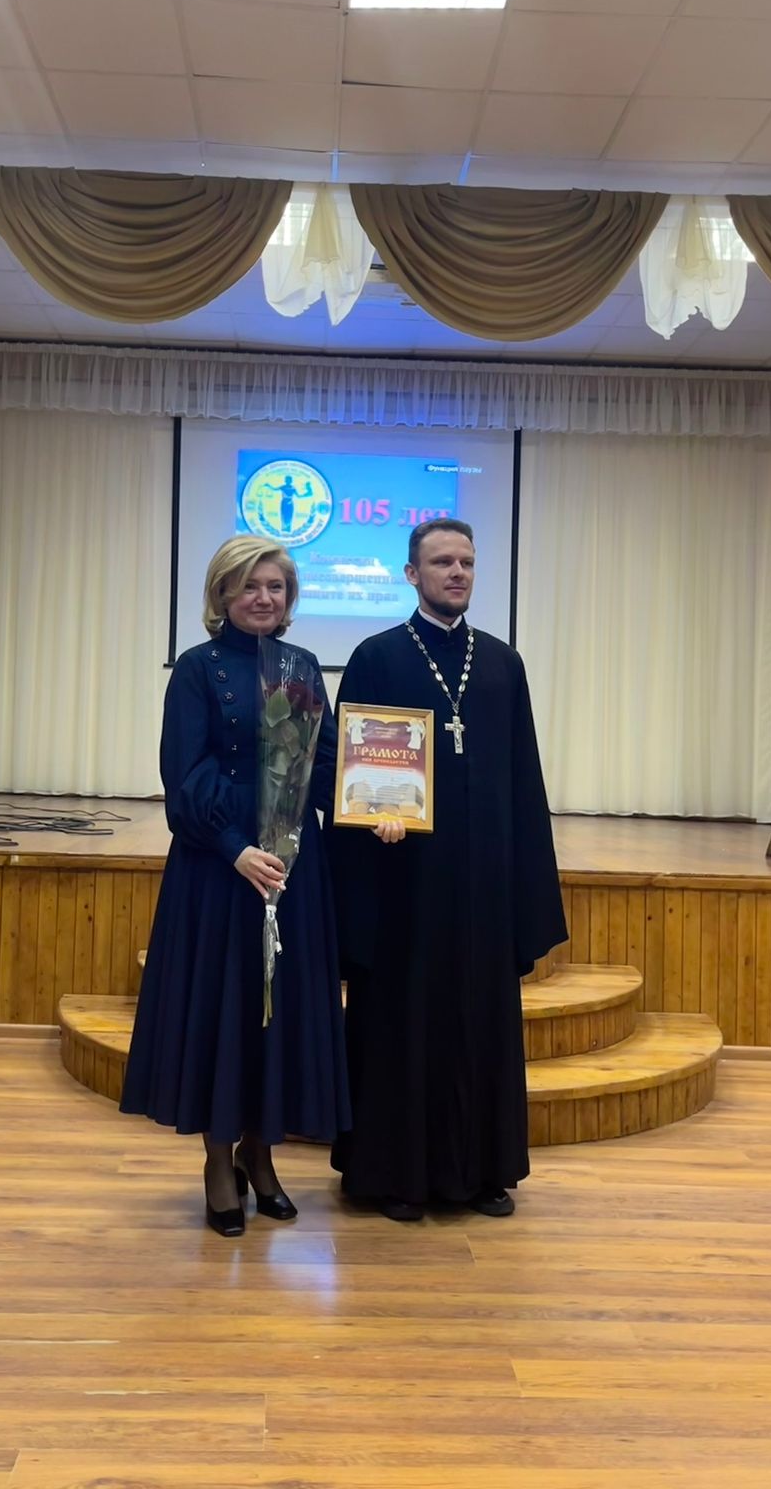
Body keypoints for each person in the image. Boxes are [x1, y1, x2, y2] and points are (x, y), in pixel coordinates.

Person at [326, 518, 567, 1222]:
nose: (456, 572)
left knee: (480, 1021)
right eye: (441, 562)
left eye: (465, 561)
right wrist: (373, 816)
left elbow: (524, 778)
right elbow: (352, 769)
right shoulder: (377, 657)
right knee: (403, 1021)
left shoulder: (501, 663)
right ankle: (395, 1175)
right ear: (412, 574)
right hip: (404, 879)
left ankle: (482, 1171)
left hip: (484, 880)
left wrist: (523, 877)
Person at [121, 535, 350, 1236]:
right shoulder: (197, 669)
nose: (263, 598)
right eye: (249, 585)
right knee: (225, 1011)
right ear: (222, 593)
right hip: (220, 870)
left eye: (276, 587)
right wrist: (236, 851)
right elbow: (183, 777)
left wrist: (380, 801)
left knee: (276, 1015)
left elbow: (329, 763)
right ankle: (218, 1161)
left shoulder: (302, 665)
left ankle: (261, 1153)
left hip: (293, 866)